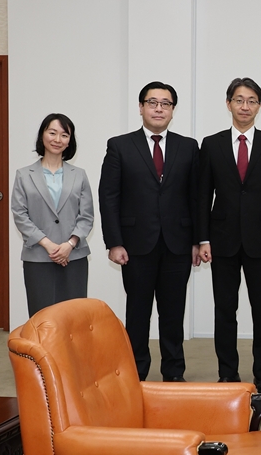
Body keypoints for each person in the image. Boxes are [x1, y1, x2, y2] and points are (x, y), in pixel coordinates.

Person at [99, 81, 200, 382]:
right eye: (152, 102)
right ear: (141, 107)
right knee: (138, 314)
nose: (159, 108)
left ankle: (173, 372)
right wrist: (114, 242)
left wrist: (197, 241)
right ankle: (136, 373)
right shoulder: (120, 145)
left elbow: (196, 197)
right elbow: (109, 197)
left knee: (173, 314)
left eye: (165, 103)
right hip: (135, 244)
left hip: (178, 244)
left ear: (172, 110)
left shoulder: (188, 146)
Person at [197, 77, 261, 394]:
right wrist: (203, 239)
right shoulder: (211, 144)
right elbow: (201, 196)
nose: (245, 106)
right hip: (221, 240)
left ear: (259, 106)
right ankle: (227, 373)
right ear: (228, 104)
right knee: (225, 310)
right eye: (239, 100)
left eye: (251, 100)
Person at [11, 113, 94, 316]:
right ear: (42, 136)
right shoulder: (23, 175)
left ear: (69, 142)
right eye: (52, 133)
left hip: (74, 256)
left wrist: (69, 244)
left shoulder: (79, 174)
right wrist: (48, 244)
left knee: (73, 317)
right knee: (42, 318)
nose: (58, 139)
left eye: (64, 135)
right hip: (38, 256)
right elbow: (20, 215)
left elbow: (87, 216)